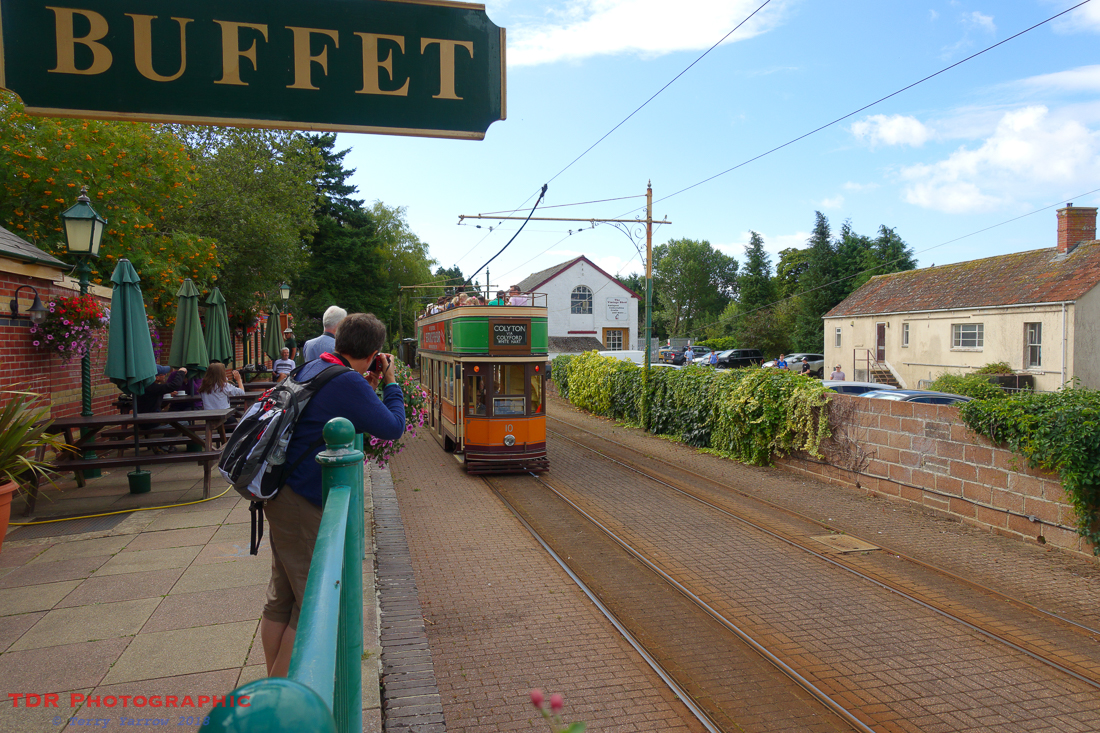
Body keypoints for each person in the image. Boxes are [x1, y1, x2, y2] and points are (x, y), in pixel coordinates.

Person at [260, 312, 405, 678]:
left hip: (279, 491)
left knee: (282, 598)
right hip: (301, 500)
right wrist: (390, 383)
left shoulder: (314, 366)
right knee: (310, 603)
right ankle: (279, 697)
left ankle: (273, 680)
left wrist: (366, 384)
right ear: (373, 353)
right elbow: (392, 427)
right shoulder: (347, 381)